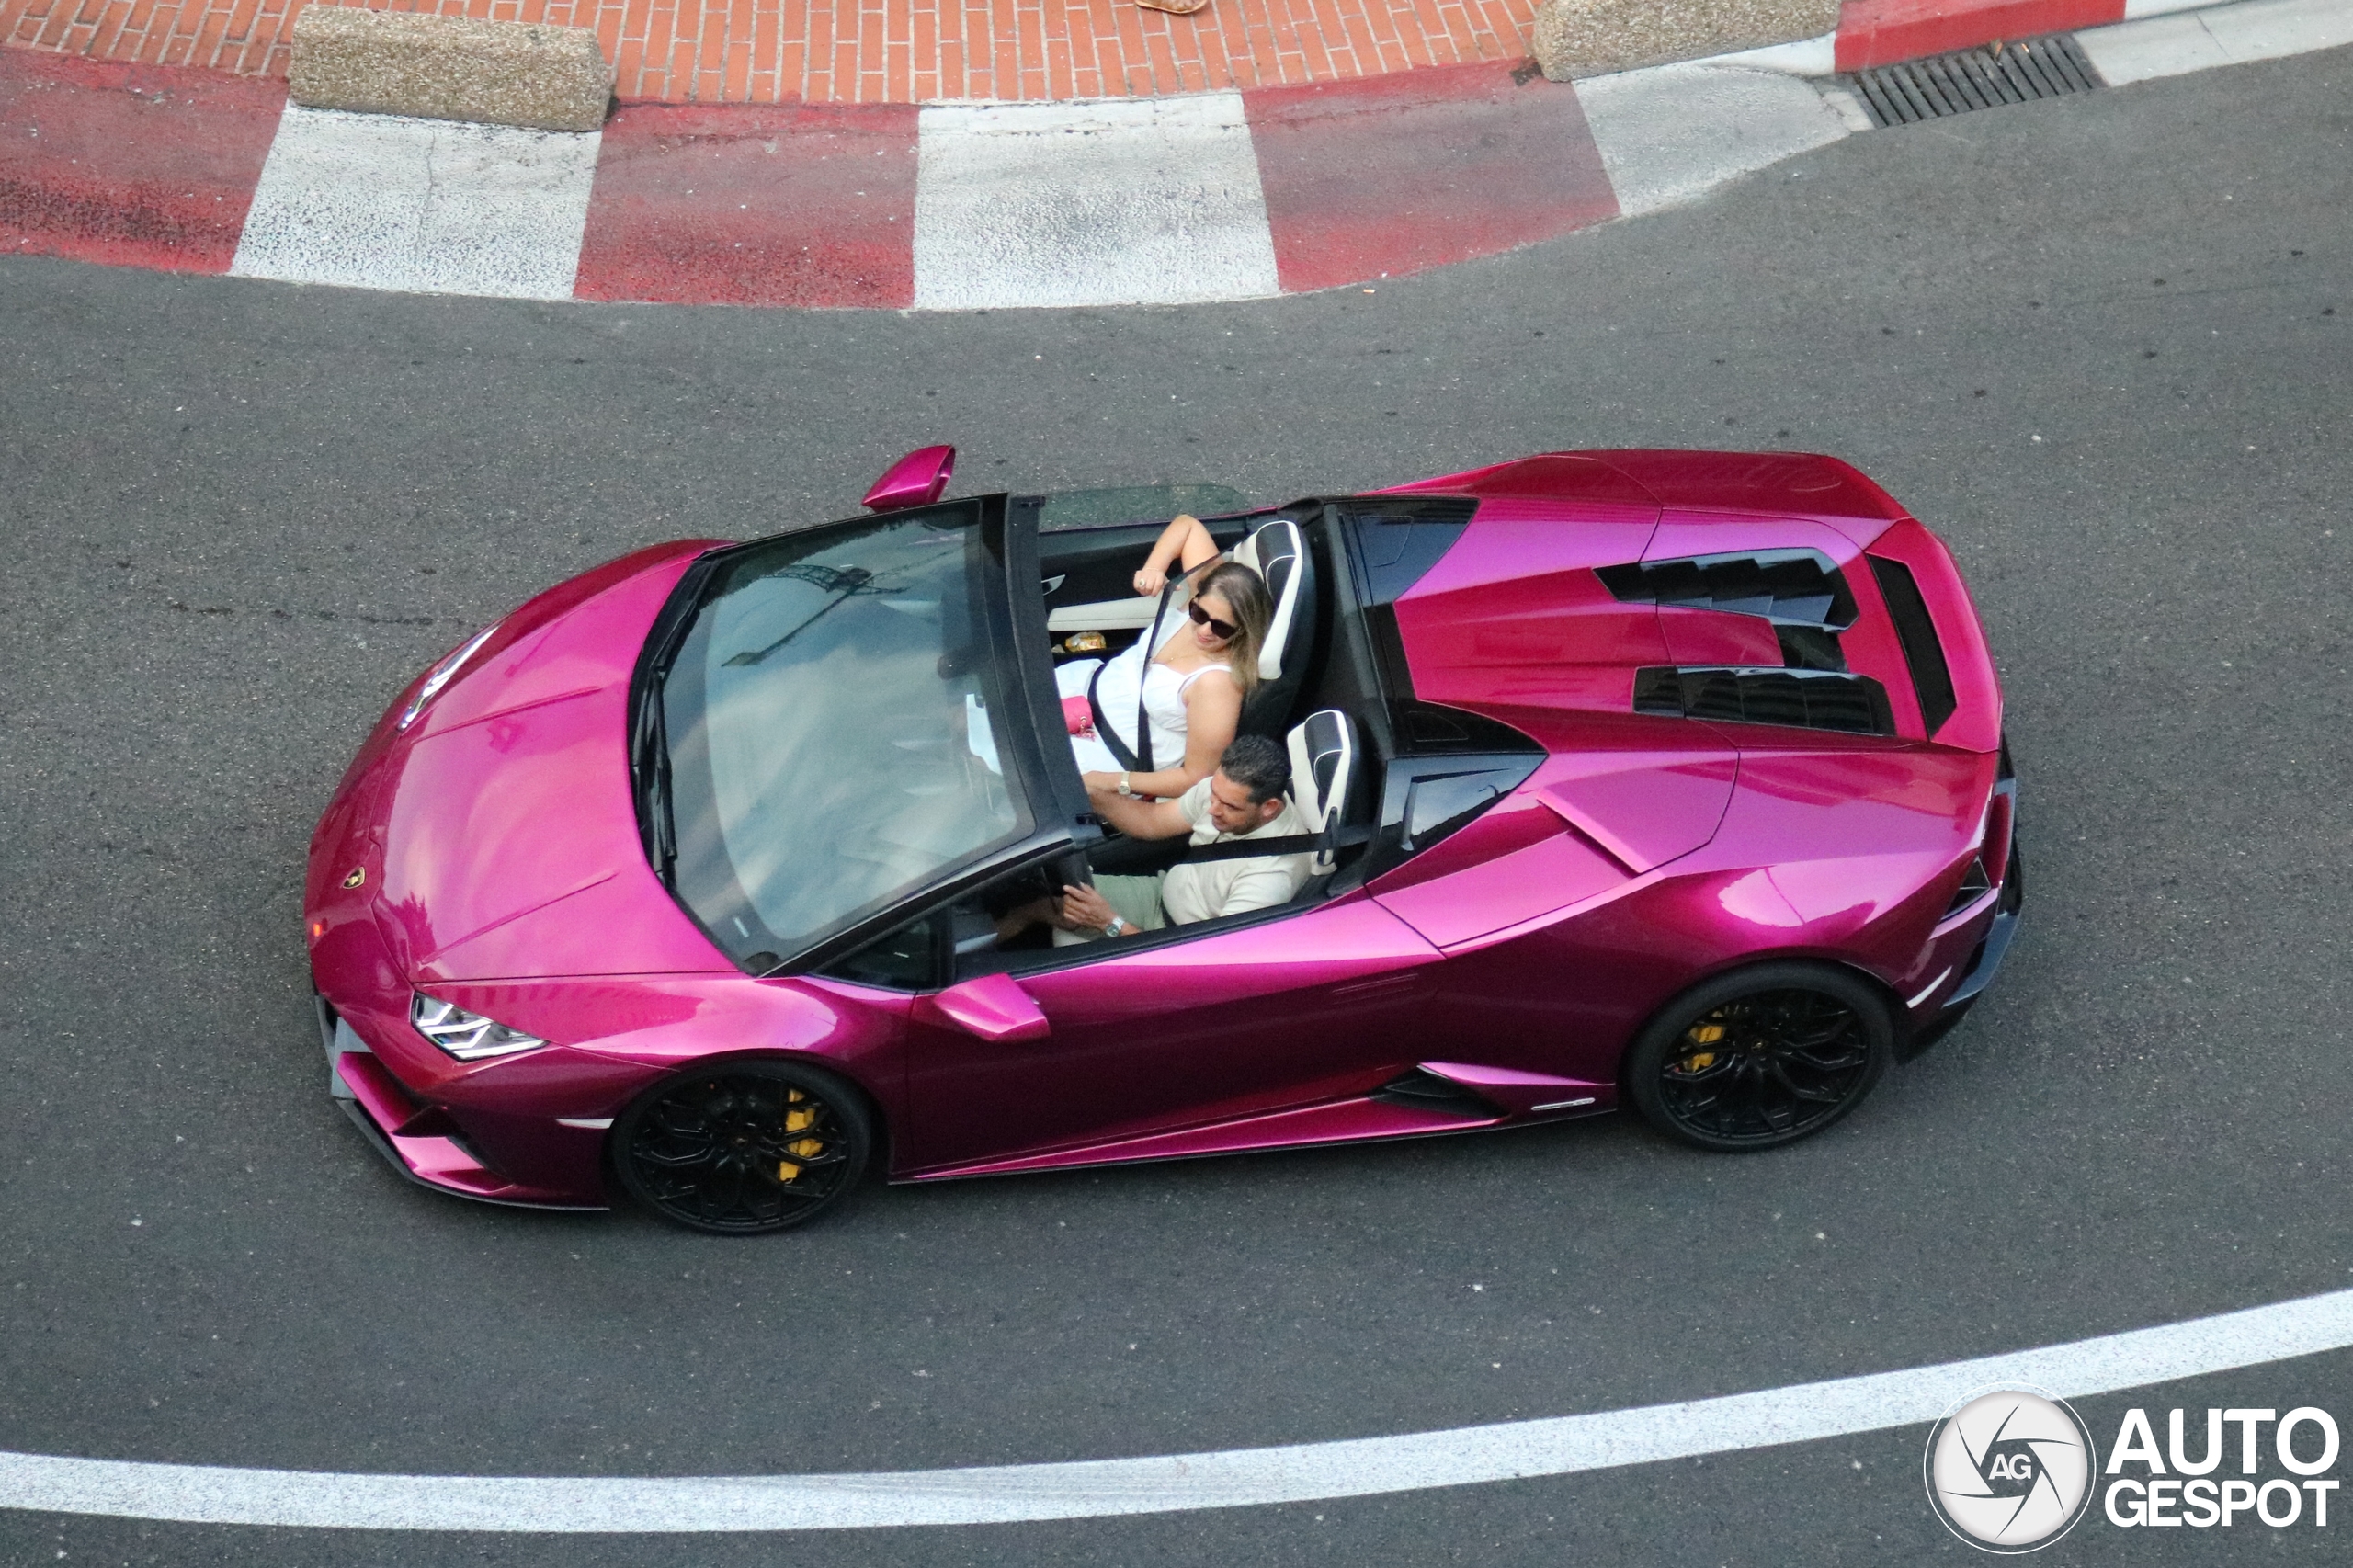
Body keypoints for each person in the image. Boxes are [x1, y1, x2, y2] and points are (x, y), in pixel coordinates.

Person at [998, 736, 1313, 944]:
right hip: (1158, 894)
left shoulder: (1271, 878)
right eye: (1214, 794)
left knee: (1053, 947)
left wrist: (1110, 922)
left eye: (1229, 807)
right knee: (1034, 895)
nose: (1212, 808)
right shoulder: (1225, 791)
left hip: (1172, 940)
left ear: (1269, 808)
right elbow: (1152, 823)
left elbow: (1205, 967)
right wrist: (1091, 796)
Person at [1054, 513, 1271, 804]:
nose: (1205, 630)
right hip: (1076, 689)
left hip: (1101, 753)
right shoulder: (1209, 592)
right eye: (1200, 614)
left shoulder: (1216, 686)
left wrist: (1110, 782)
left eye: (1222, 627)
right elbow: (1188, 526)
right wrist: (1155, 568)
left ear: (1242, 630)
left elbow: (1196, 778)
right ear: (1196, 597)